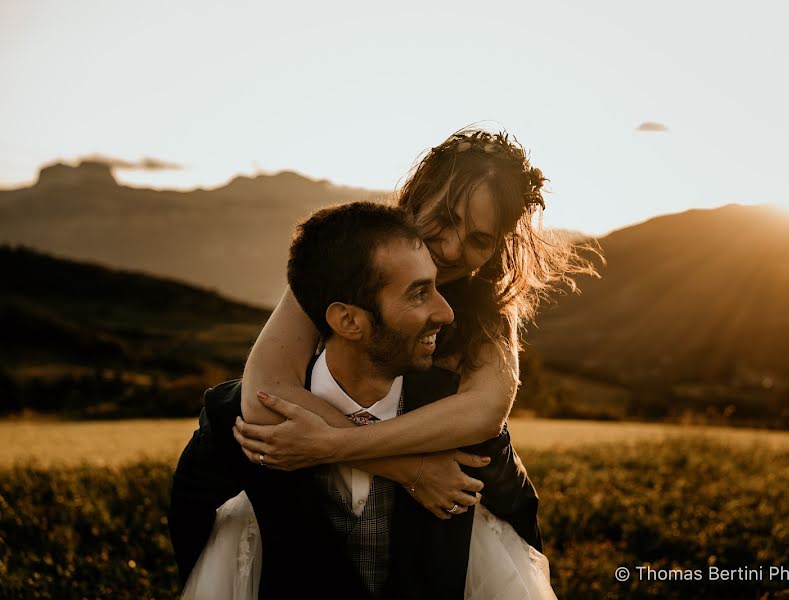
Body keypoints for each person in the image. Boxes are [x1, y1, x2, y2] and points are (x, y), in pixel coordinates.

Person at [172, 202, 552, 599]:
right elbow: (191, 524)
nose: (447, 312)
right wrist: (410, 468)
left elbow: (519, 520)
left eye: (437, 286)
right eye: (420, 293)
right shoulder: (238, 424)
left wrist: (337, 446)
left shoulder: (461, 430)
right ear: (348, 321)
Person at [232, 128, 595, 523]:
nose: (453, 249)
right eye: (445, 218)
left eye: (478, 239)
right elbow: (265, 393)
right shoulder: (351, 260)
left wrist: (330, 443)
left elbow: (484, 410)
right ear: (418, 197)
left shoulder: (489, 307)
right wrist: (411, 470)